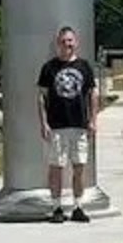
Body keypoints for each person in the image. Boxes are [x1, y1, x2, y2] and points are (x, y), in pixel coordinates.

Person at [37, 25, 98, 222]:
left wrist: (93, 120)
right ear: (58, 44)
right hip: (57, 126)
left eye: (70, 41)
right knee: (56, 168)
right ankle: (56, 208)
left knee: (79, 167)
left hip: (79, 125)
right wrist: (43, 123)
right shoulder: (49, 68)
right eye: (63, 42)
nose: (67, 45)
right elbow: (41, 97)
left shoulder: (84, 66)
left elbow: (92, 94)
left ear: (76, 42)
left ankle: (78, 207)